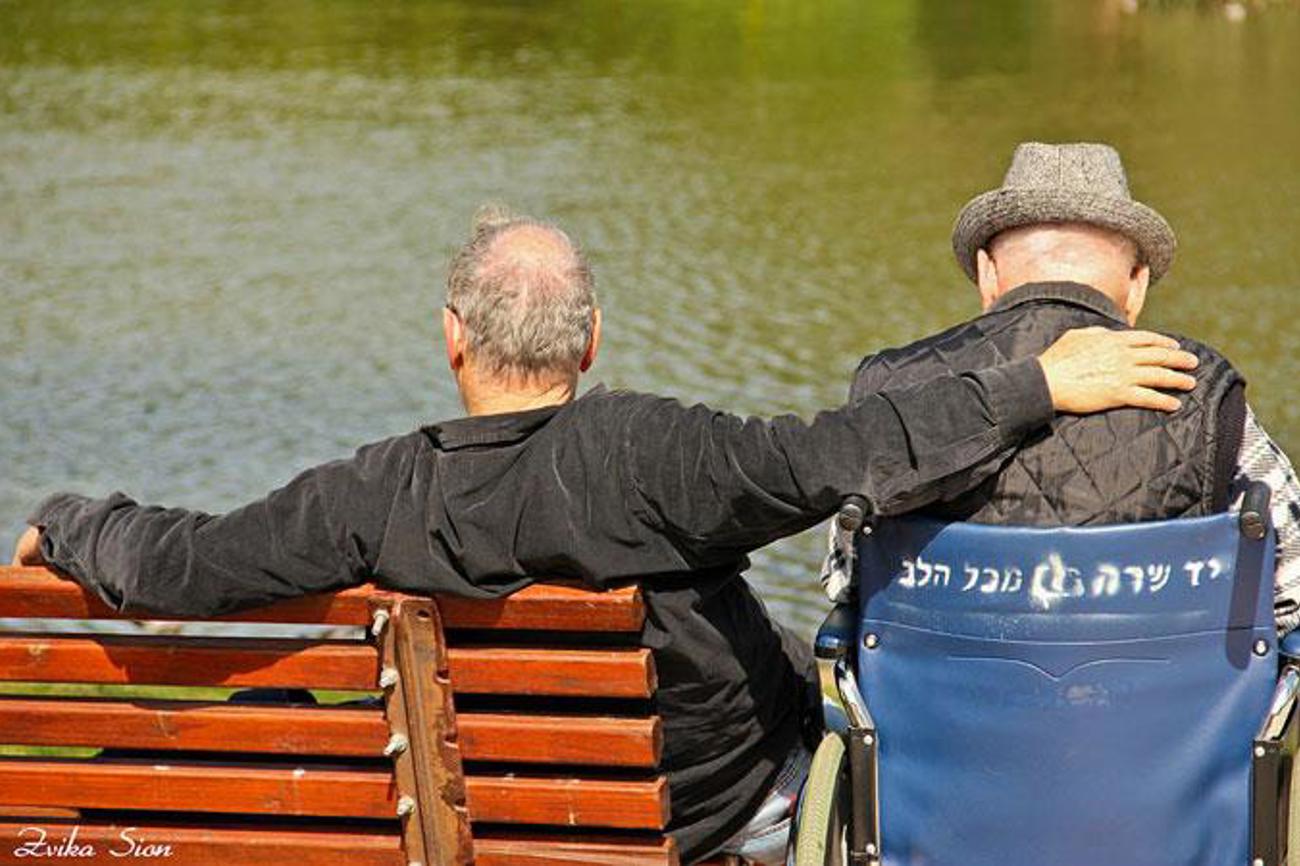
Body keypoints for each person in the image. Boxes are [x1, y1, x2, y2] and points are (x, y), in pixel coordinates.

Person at [11, 206, 1199, 863]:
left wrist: (66, 521)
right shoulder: (647, 451)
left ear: (451, 337)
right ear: (589, 341)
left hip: (478, 813)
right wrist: (1036, 382)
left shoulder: (372, 491)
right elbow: (841, 453)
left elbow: (185, 565)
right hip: (703, 819)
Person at [819, 142, 1300, 635]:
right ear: (1137, 284)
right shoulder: (1198, 384)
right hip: (1159, 685)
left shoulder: (892, 384)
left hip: (932, 685)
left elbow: (845, 579)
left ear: (987, 273)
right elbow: (1292, 587)